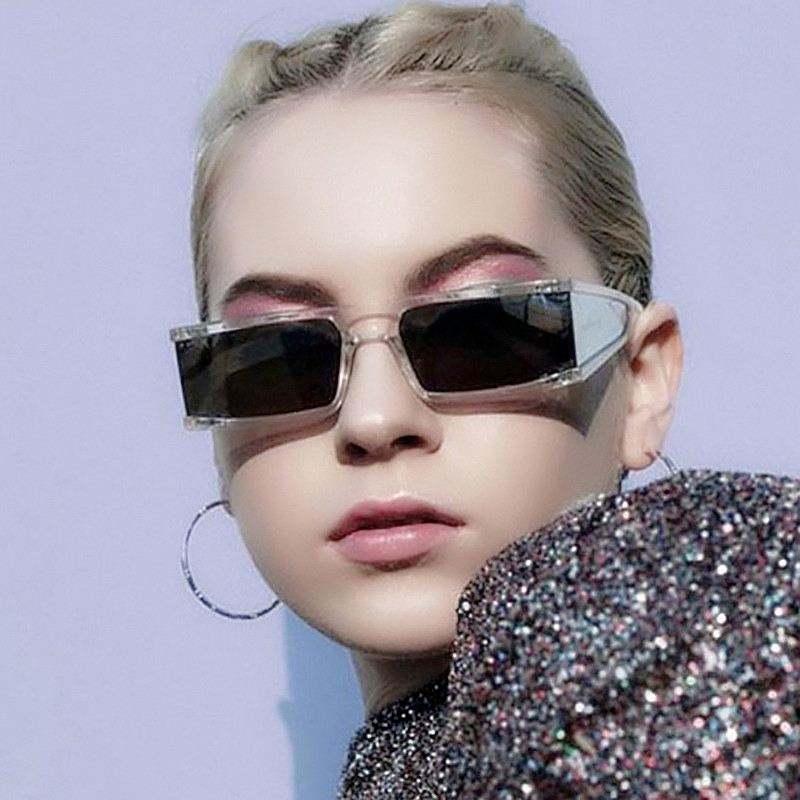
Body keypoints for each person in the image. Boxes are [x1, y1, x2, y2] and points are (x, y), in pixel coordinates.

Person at [168, 2, 799, 796]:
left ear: (642, 379)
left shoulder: (714, 628)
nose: (375, 419)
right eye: (279, 355)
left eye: (482, 330)